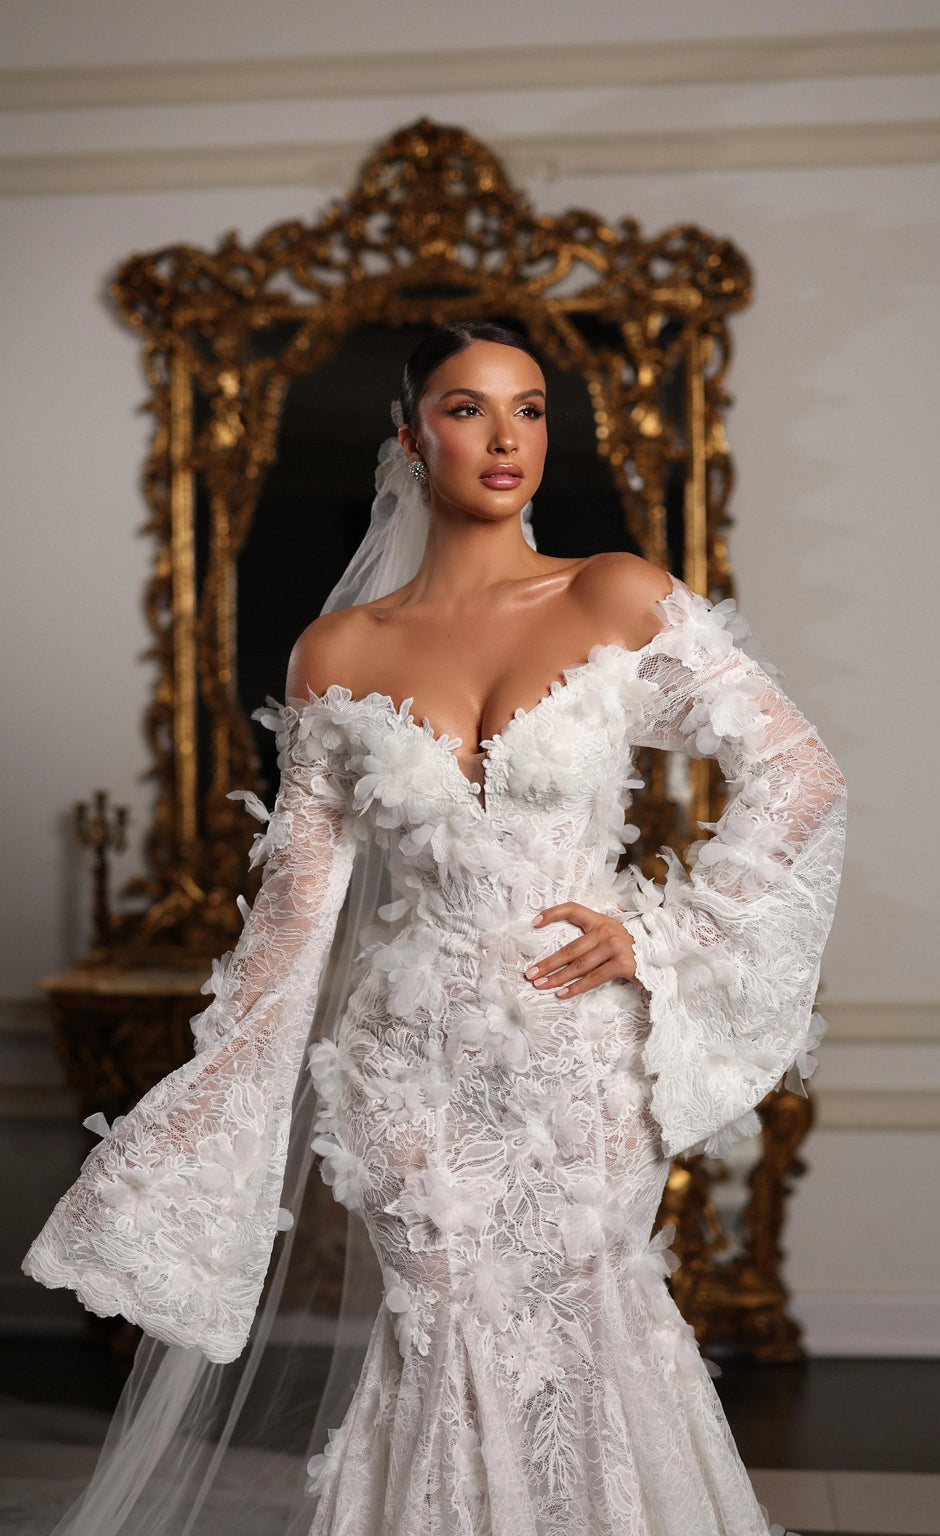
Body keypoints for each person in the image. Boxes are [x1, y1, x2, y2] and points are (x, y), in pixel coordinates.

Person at [24, 321, 846, 1536]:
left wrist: (662, 937)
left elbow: (799, 775)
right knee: (441, 1320)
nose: (504, 436)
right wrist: (199, 1108)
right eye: (467, 408)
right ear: (411, 436)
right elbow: (298, 914)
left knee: (590, 1309)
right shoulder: (337, 652)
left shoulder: (613, 592)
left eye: (529, 407)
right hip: (407, 1063)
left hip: (578, 1057)